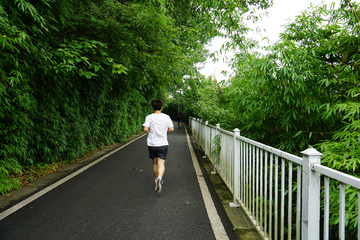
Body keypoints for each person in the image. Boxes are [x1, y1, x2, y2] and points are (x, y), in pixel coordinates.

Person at [143, 99, 174, 193]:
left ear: (153, 107)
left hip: (152, 143)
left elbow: (145, 129)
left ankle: (157, 178)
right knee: (161, 164)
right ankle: (160, 179)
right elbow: (171, 129)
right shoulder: (166, 117)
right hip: (163, 143)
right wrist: (165, 131)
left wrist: (150, 132)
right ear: (161, 107)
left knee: (155, 163)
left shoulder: (149, 117)